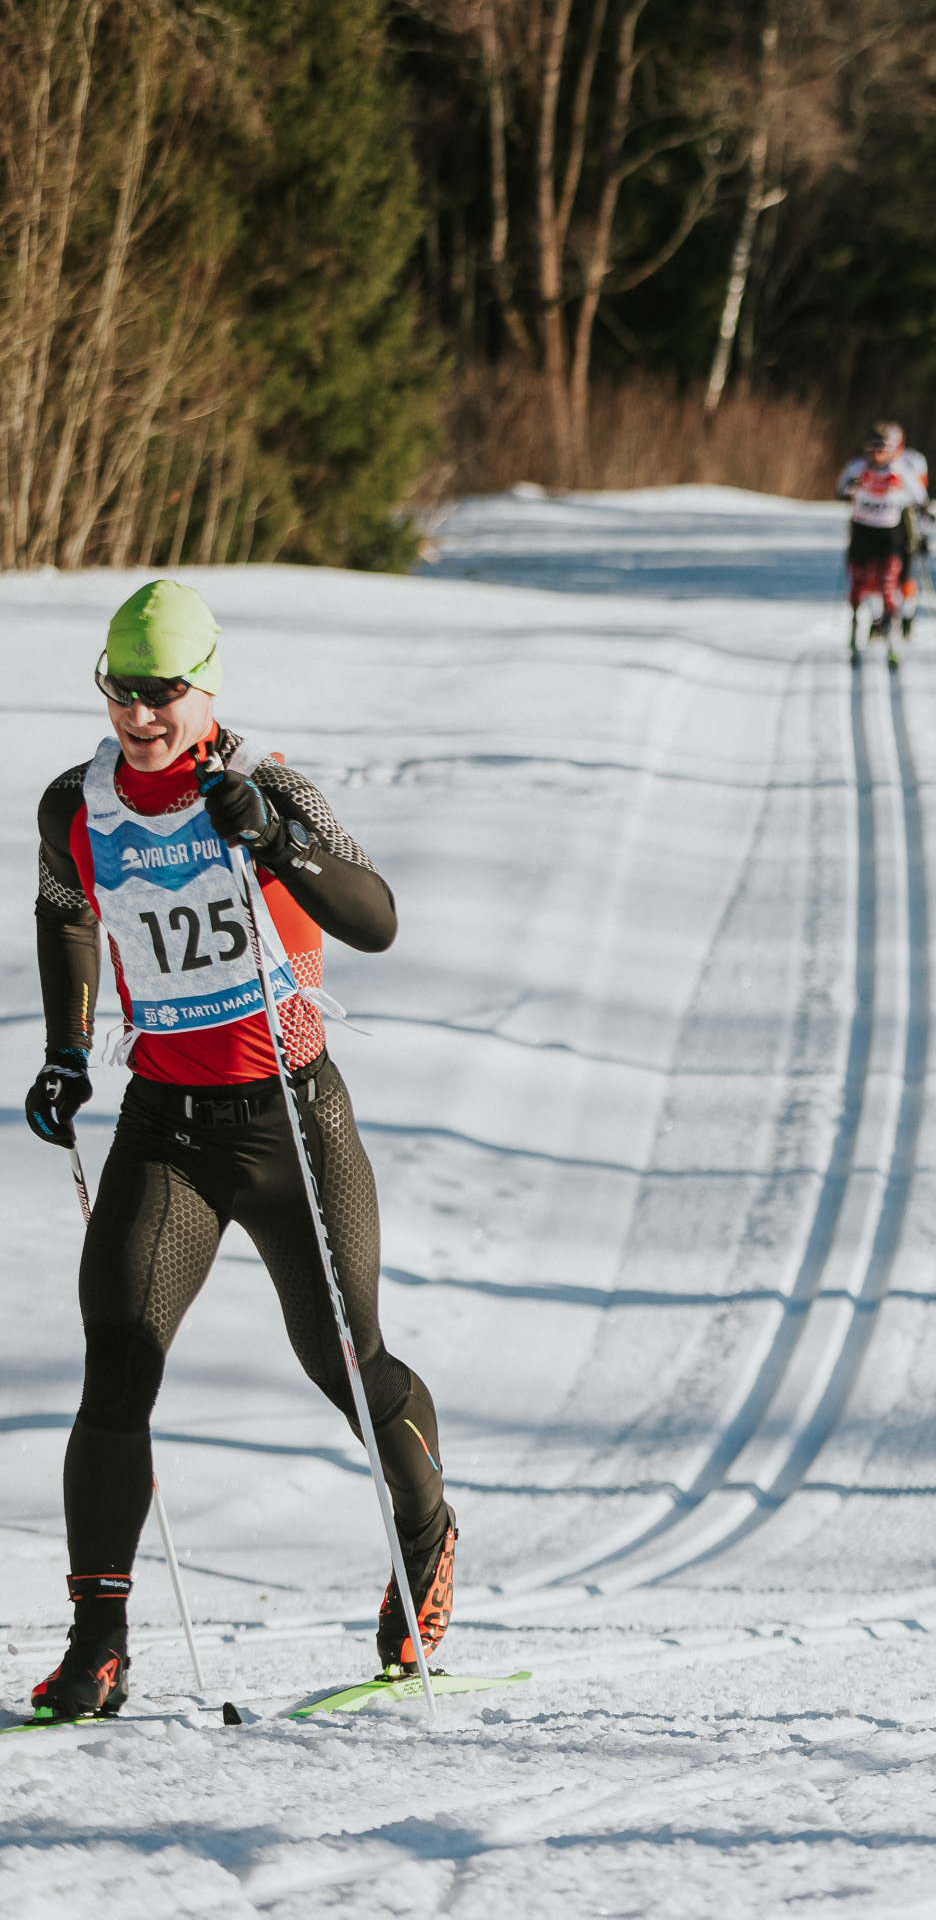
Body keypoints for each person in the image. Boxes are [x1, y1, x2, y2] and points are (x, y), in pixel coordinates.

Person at [21, 581, 453, 1720]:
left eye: (161, 691)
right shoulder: (77, 800)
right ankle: (97, 1646)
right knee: (117, 1370)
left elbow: (375, 917)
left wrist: (277, 845)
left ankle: (425, 1532)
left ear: (206, 683)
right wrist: (67, 1050)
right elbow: (65, 908)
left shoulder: (269, 784)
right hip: (166, 1127)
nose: (140, 714)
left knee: (346, 1363)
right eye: (120, 690)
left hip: (291, 1116)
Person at [837, 421, 931, 665]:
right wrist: (851, 488)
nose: (877, 456)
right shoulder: (857, 467)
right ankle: (856, 634)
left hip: (889, 537)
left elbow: (921, 500)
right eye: (872, 450)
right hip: (862, 534)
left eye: (882, 450)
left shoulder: (901, 470)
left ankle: (893, 640)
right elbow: (840, 490)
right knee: (858, 588)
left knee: (888, 586)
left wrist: (922, 533)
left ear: (891, 450)